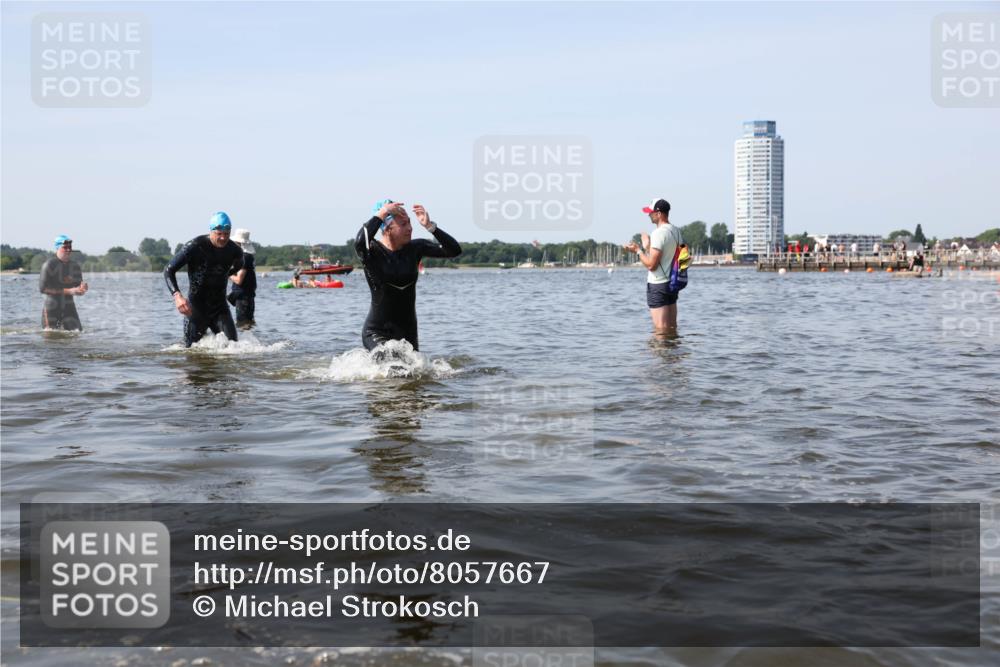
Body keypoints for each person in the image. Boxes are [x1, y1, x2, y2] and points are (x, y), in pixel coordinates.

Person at [355, 199, 461, 351]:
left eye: (410, 223)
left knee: (415, 372)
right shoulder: (372, 252)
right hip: (377, 332)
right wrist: (382, 213)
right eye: (403, 224)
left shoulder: (415, 248)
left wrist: (430, 227)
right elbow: (359, 242)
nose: (410, 228)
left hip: (408, 332)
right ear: (387, 228)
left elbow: (454, 250)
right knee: (391, 362)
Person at [164, 212, 244, 347]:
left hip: (220, 308)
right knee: (190, 351)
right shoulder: (195, 246)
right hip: (196, 308)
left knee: (234, 348)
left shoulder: (234, 250)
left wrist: (227, 273)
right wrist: (177, 296)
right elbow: (168, 270)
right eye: (219, 234)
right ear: (211, 231)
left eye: (227, 233)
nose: (223, 238)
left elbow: (239, 265)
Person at [625, 198, 684, 334]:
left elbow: (652, 265)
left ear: (659, 213)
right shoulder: (676, 231)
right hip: (672, 283)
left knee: (661, 331)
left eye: (651, 212)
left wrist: (638, 251)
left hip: (658, 285)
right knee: (671, 328)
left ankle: (661, 354)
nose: (649, 215)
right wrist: (647, 247)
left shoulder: (658, 233)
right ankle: (673, 354)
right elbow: (669, 257)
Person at [39, 235, 88, 330]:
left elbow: (78, 288)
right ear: (57, 248)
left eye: (70, 247)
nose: (68, 250)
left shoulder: (75, 266)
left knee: (77, 333)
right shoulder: (49, 265)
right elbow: (43, 289)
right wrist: (69, 291)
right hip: (52, 308)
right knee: (51, 339)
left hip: (69, 307)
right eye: (65, 247)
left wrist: (83, 289)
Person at [227, 228, 257, 328]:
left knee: (242, 325)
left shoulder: (244, 258)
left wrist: (227, 274)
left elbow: (239, 280)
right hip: (248, 296)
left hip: (243, 298)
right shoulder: (249, 257)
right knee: (248, 324)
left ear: (238, 243)